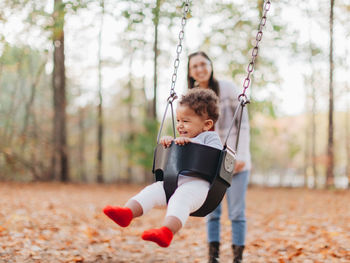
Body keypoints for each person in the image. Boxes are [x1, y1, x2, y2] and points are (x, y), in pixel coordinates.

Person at [103, 88, 222, 248]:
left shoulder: (210, 137)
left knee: (180, 200)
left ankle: (166, 232)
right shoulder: (181, 138)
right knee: (151, 191)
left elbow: (215, 153)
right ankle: (127, 213)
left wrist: (191, 143)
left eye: (185, 121)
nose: (180, 125)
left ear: (207, 124)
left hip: (197, 188)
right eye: (178, 120)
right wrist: (169, 142)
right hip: (173, 182)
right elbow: (175, 149)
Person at [187, 51, 251, 263]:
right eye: (195, 66)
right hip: (209, 161)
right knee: (211, 212)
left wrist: (240, 155)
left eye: (203, 64)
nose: (200, 69)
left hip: (235, 159)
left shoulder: (228, 89)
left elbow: (242, 124)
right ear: (190, 71)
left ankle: (237, 259)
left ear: (211, 65)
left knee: (237, 212)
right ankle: (213, 258)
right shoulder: (191, 97)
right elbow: (189, 130)